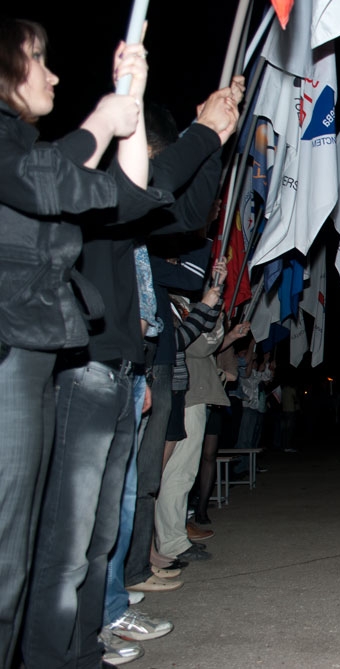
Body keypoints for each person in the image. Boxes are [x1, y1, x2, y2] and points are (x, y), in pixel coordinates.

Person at [0, 18, 162, 667]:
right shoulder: (16, 152)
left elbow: (126, 197)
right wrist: (100, 117)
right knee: (13, 555)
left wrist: (133, 100)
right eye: (39, 59)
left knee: (36, 546)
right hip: (9, 360)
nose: (53, 73)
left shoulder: (31, 148)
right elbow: (45, 181)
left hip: (38, 358)